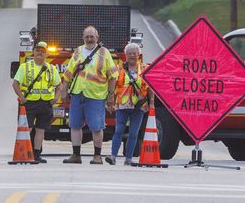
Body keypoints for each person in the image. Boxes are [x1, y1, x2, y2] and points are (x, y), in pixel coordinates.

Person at [60, 25, 118, 164]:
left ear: (97, 38)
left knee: (97, 127)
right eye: (87, 36)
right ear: (83, 38)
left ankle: (97, 156)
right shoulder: (78, 51)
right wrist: (63, 89)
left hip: (96, 96)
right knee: (74, 125)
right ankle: (76, 155)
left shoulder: (104, 53)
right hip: (77, 94)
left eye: (92, 36)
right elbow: (69, 72)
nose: (90, 39)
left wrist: (110, 95)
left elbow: (113, 76)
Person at [11, 41, 61, 163]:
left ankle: (37, 154)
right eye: (37, 50)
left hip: (46, 103)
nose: (40, 52)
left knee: (40, 130)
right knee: (27, 128)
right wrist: (22, 97)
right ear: (33, 52)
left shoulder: (51, 68)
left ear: (46, 54)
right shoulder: (25, 67)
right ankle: (23, 153)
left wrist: (55, 99)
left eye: (42, 51)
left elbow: (59, 85)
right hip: (30, 102)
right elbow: (15, 83)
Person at [106, 43, 154, 165]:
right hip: (122, 105)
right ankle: (113, 156)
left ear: (139, 55)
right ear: (125, 55)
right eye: (130, 53)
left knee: (134, 133)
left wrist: (152, 103)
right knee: (118, 130)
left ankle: (129, 158)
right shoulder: (118, 69)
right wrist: (110, 98)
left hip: (139, 105)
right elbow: (111, 83)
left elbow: (150, 87)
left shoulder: (144, 69)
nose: (132, 55)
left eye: (135, 53)